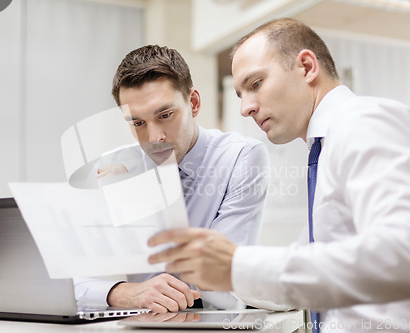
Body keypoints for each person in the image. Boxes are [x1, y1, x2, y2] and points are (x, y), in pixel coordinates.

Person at [148, 18, 410, 332]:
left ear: (307, 67)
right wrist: (223, 272)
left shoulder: (364, 122)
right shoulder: (325, 148)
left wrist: (237, 265)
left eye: (255, 84)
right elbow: (311, 262)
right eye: (240, 94)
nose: (245, 108)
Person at [74, 45, 270, 313]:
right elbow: (71, 279)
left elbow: (223, 287)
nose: (155, 138)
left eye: (165, 116)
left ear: (194, 103)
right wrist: (121, 293)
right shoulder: (112, 166)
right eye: (137, 123)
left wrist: (145, 209)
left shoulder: (241, 158)